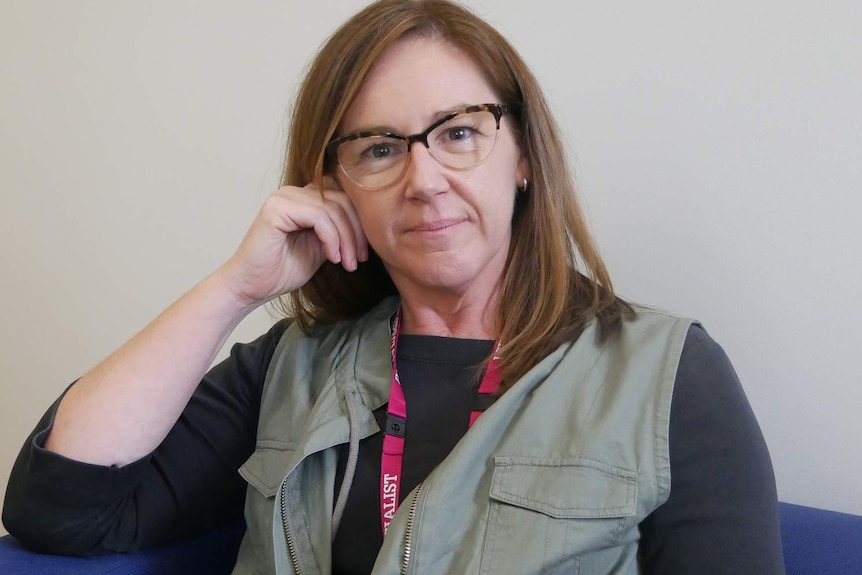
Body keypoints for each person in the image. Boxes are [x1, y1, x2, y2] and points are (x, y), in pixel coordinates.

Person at [2, 0, 786, 573]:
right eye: (379, 149)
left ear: (521, 156)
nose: (425, 179)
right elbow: (59, 509)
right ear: (335, 184)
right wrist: (236, 289)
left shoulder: (668, 376)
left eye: (458, 132)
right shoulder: (295, 367)